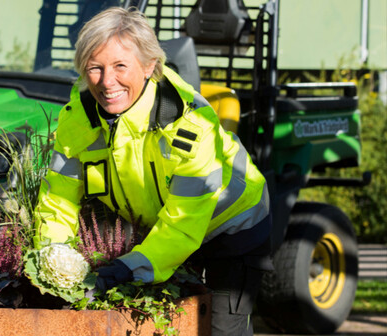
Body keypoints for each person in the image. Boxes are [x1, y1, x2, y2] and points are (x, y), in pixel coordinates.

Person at [34, 6, 272, 336]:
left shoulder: (190, 126)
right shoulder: (77, 120)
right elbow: (58, 202)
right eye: (95, 68)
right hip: (159, 228)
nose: (106, 82)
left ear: (149, 67)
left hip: (231, 228)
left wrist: (126, 267)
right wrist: (53, 258)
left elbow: (183, 227)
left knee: (220, 329)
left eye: (120, 66)